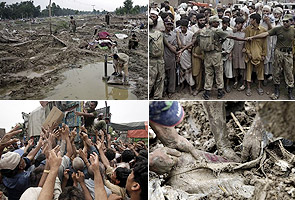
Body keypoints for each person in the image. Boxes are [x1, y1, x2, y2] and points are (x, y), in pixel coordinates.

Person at [247, 14, 295, 100]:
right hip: (278, 52)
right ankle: (276, 91)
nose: (284, 23)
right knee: (276, 71)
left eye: (287, 21)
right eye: (283, 21)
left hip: (288, 54)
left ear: (291, 22)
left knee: (289, 73)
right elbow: (265, 34)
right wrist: (253, 37)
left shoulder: (293, 30)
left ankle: (290, 92)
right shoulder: (278, 29)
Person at [244, 13, 267, 96]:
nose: (250, 20)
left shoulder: (263, 30)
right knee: (249, 71)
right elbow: (246, 42)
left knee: (260, 72)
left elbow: (265, 44)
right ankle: (248, 88)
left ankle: (259, 87)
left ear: (255, 20)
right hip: (250, 54)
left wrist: (264, 54)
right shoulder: (248, 29)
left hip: (259, 54)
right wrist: (248, 52)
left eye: (251, 19)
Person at [149, 18, 165, 100]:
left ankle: (157, 96)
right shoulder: (159, 34)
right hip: (154, 59)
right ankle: (154, 95)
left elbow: (165, 44)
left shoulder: (159, 34)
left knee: (158, 78)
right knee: (154, 79)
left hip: (158, 59)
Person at [163, 18, 178, 98]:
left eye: (170, 24)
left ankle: (170, 91)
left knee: (171, 76)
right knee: (163, 76)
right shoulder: (161, 34)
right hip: (162, 57)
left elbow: (176, 46)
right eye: (167, 24)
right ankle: (164, 90)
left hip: (171, 57)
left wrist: (173, 47)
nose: (169, 26)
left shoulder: (174, 35)